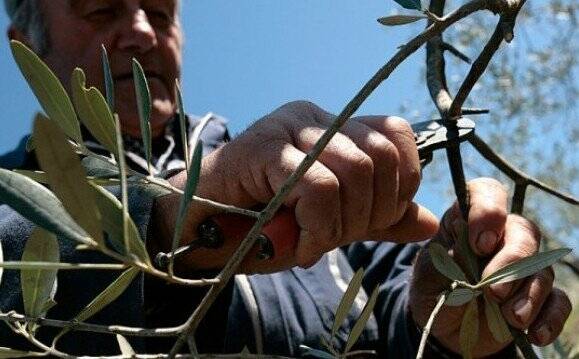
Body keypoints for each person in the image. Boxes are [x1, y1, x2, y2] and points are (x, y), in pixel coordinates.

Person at [0, 0, 572, 357]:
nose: (144, 33)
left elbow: (404, 314)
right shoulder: (12, 196)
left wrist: (451, 321)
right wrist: (172, 215)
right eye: (102, 10)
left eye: (163, 12)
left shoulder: (299, 172)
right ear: (27, 47)